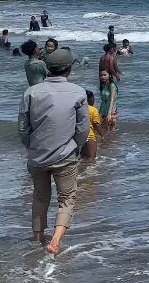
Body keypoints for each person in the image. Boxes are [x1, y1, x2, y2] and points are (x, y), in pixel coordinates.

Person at [18, 48, 88, 254]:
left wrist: (31, 146)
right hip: (65, 155)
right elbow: (83, 129)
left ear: (47, 68)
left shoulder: (31, 92)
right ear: (69, 69)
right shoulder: (78, 92)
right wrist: (75, 145)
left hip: (37, 155)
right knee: (66, 199)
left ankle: (37, 239)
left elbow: (23, 127)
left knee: (40, 197)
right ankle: (55, 242)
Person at [83, 90, 101, 159]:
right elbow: (96, 124)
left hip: (80, 136)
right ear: (91, 100)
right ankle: (89, 170)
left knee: (83, 157)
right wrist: (102, 135)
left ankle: (82, 169)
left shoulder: (79, 108)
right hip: (90, 136)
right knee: (91, 158)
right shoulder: (93, 110)